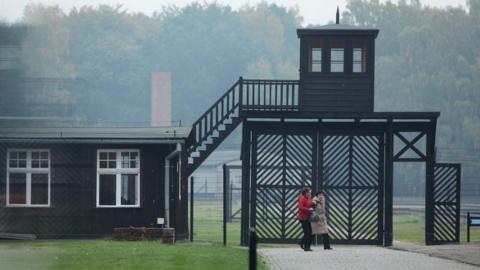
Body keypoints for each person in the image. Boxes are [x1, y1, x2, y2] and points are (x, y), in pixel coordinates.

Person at [297, 187, 314, 251]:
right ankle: (306, 247)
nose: (310, 193)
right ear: (306, 192)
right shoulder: (302, 198)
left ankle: (302, 242)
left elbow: (310, 204)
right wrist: (308, 209)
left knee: (311, 232)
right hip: (303, 218)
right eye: (309, 192)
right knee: (307, 233)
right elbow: (301, 207)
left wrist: (314, 203)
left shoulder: (308, 198)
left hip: (308, 218)